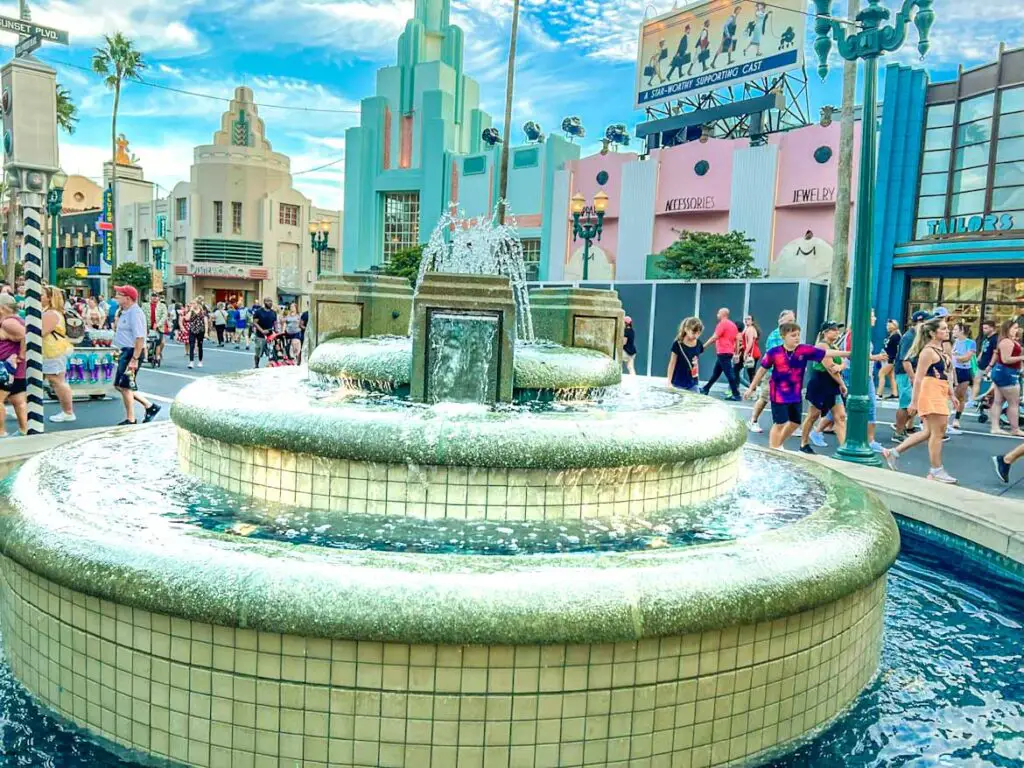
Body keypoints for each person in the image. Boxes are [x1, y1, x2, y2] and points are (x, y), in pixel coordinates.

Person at [882, 317, 958, 483]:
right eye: (943, 328)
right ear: (932, 333)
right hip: (931, 391)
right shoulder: (928, 352)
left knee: (929, 432)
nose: (947, 331)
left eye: (947, 328)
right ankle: (936, 470)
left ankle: (894, 452)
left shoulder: (940, 350)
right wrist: (914, 401)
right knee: (938, 432)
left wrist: (952, 394)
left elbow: (948, 374)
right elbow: (918, 378)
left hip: (939, 390)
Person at [744, 322, 827, 450]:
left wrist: (849, 353)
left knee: (795, 422)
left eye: (798, 335)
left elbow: (825, 352)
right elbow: (761, 370)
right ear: (783, 336)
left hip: (795, 394)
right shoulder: (774, 352)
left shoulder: (803, 350)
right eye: (793, 335)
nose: (797, 338)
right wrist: (751, 388)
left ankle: (777, 444)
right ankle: (773, 448)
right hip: (778, 394)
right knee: (780, 423)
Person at [111, 285, 160, 426]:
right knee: (120, 385)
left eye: (118, 295)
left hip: (132, 352)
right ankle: (149, 406)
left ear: (127, 298)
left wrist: (135, 358)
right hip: (125, 351)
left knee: (125, 386)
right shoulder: (125, 312)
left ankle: (131, 419)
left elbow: (139, 337)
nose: (116, 297)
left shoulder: (135, 313)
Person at [799, 322, 851, 454]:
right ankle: (804, 443)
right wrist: (842, 383)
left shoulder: (834, 346)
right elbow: (830, 368)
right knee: (813, 415)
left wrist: (840, 367)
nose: (837, 332)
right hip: (821, 383)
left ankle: (844, 448)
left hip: (832, 384)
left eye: (837, 330)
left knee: (840, 416)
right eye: (833, 330)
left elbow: (842, 363)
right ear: (825, 332)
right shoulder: (822, 346)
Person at [747, 309, 794, 434]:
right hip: (773, 374)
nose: (792, 323)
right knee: (764, 398)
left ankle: (789, 424)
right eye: (789, 320)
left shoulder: (791, 335)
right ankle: (753, 420)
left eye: (793, 320)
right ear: (780, 321)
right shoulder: (775, 336)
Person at [891, 311, 930, 443]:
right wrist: (913, 378)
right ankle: (898, 431)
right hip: (905, 373)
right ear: (920, 322)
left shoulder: (919, 336)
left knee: (914, 403)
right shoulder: (909, 337)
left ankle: (901, 428)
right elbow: (905, 360)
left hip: (912, 372)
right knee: (906, 403)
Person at [40, 286, 77, 423]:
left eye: (42, 294)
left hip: (53, 350)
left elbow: (41, 332)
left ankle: (68, 411)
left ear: (50, 298)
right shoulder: (48, 312)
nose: (39, 296)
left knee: (57, 380)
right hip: (51, 350)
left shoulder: (51, 314)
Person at [989, 318, 1022, 436]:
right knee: (1013, 402)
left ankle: (995, 427)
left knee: (998, 401)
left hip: (1004, 372)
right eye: (1015, 328)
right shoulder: (1006, 342)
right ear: (1008, 329)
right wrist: (1021, 358)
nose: (1016, 330)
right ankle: (1015, 429)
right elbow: (1006, 359)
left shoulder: (1008, 341)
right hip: (1007, 373)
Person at [0, 294, 28, 436]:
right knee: (18, 400)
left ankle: (1, 432)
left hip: (6, 368)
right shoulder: (17, 320)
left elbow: (25, 336)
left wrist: (22, 354)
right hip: (15, 368)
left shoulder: (7, 322)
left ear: (2, 308)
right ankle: (24, 430)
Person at [701, 307, 741, 401]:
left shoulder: (722, 324)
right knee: (716, 373)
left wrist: (703, 346)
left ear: (723, 314)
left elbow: (715, 337)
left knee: (729, 374)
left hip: (723, 352)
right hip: (727, 352)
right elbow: (737, 340)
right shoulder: (733, 325)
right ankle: (706, 389)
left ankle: (736, 394)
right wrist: (736, 353)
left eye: (718, 313)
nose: (717, 315)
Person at [949, 322, 976, 434]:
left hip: (964, 370)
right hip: (952, 370)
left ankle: (957, 419)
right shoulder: (951, 342)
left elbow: (967, 357)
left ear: (962, 331)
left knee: (960, 396)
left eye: (955, 329)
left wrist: (956, 356)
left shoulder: (970, 343)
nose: (953, 331)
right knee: (949, 394)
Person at [666, 317, 704, 392]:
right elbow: (672, 363)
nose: (696, 336)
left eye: (698, 333)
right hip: (678, 382)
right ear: (686, 329)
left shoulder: (699, 344)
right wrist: (669, 382)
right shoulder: (678, 344)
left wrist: (697, 377)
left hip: (693, 382)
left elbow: (696, 360)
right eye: (693, 333)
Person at [974, 320, 998, 406]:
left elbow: (996, 353)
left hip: (989, 365)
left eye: (986, 328)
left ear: (992, 328)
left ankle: (987, 401)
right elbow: (983, 349)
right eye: (983, 328)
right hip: (982, 364)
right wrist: (979, 358)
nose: (984, 330)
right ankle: (974, 399)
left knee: (988, 384)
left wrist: (990, 365)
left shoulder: (995, 338)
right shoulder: (987, 337)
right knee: (977, 381)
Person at [877, 319, 901, 399]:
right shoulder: (890, 335)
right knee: (891, 376)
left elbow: (898, 348)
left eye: (890, 325)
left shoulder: (896, 336)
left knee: (881, 373)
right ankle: (895, 394)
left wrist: (895, 358)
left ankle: (879, 393)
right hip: (887, 358)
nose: (888, 327)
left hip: (891, 358)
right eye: (887, 325)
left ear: (894, 326)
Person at [252, 298, 278, 368]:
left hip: (270, 334)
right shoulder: (259, 311)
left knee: (271, 351)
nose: (270, 303)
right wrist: (262, 330)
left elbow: (275, 323)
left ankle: (270, 365)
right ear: (264, 302)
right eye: (268, 301)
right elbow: (255, 322)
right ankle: (256, 365)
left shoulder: (273, 312)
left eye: (271, 301)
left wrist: (276, 331)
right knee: (258, 352)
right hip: (260, 335)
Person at [184, 298, 209, 369]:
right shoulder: (191, 311)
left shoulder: (203, 312)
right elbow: (186, 318)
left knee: (200, 346)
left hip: (200, 330)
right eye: (191, 304)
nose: (192, 305)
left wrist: (206, 332)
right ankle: (191, 362)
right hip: (192, 330)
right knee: (191, 345)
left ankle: (200, 361)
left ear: (198, 304)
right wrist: (190, 310)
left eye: (194, 303)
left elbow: (206, 322)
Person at [739, 314, 761, 386]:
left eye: (748, 319)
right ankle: (752, 389)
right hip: (751, 353)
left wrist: (745, 353)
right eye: (746, 319)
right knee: (750, 372)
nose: (746, 320)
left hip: (752, 354)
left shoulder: (750, 329)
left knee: (751, 372)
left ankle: (752, 389)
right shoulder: (747, 329)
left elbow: (750, 342)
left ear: (752, 321)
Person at [148, 292, 168, 366]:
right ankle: (148, 354)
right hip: (148, 327)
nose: (154, 298)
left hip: (159, 327)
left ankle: (157, 355)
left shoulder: (162, 306)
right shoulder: (146, 305)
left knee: (160, 342)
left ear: (158, 297)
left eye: (156, 296)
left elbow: (164, 316)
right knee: (148, 341)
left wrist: (158, 324)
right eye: (153, 296)